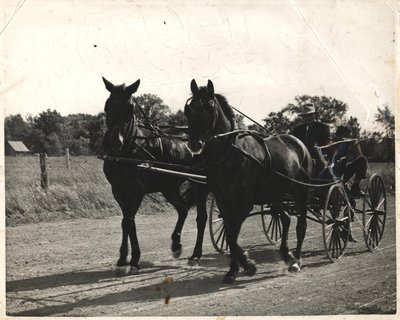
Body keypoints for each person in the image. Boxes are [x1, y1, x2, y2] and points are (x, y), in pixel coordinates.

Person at [291, 103, 330, 176]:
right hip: (299, 158)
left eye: (309, 115)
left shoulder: (323, 128)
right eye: (304, 116)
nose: (306, 118)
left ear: (314, 116)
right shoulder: (297, 129)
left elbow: (325, 147)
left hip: (317, 159)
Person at [332, 126, 368, 198]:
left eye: (349, 134)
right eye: (347, 134)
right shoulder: (335, 142)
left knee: (362, 160)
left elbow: (356, 156)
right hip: (333, 168)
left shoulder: (350, 143)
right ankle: (347, 188)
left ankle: (355, 186)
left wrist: (354, 144)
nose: (349, 136)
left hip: (343, 168)